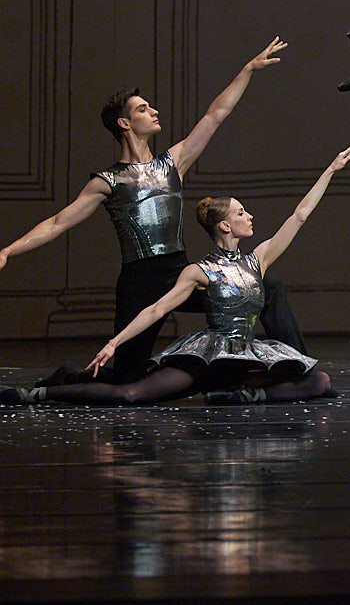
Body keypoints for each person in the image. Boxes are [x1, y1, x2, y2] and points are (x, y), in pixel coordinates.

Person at [0, 40, 299, 383]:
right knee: (124, 378)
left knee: (266, 286)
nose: (154, 111)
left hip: (178, 272)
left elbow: (215, 115)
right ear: (124, 123)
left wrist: (247, 70)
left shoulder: (172, 164)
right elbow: (57, 223)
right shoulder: (108, 181)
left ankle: (296, 369)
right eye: (143, 109)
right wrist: (8, 251)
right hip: (139, 283)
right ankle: (59, 383)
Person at [0, 146, 350, 407]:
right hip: (207, 360)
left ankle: (242, 396)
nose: (249, 216)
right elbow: (156, 309)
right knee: (129, 394)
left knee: (320, 381)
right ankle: (35, 394)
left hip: (245, 358)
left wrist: (330, 170)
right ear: (224, 225)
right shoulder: (199, 271)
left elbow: (299, 216)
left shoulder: (258, 260)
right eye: (241, 212)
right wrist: (114, 343)